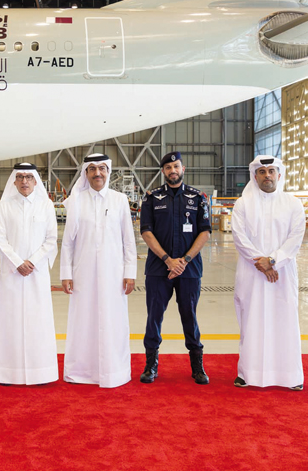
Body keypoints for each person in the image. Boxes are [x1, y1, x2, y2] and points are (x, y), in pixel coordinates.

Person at [60, 154, 137, 388]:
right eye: (92, 169)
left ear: (108, 171)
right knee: (83, 321)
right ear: (86, 173)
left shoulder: (119, 200)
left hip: (114, 273)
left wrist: (130, 271)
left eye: (102, 168)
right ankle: (82, 371)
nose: (97, 173)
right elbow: (68, 242)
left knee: (113, 320)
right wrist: (66, 273)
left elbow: (128, 240)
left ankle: (114, 371)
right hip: (83, 273)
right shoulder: (76, 201)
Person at [231, 155, 306, 390]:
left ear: (279, 175)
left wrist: (273, 260)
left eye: (271, 171)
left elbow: (296, 237)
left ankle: (289, 376)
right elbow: (238, 236)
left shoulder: (293, 203)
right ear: (255, 176)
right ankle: (248, 373)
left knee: (284, 320)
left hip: (281, 274)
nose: (267, 176)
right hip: (251, 272)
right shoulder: (242, 204)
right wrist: (261, 262)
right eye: (262, 172)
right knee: (251, 320)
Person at [139, 151, 212, 385]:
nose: (173, 171)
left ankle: (197, 366)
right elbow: (146, 232)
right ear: (163, 171)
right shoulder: (151, 198)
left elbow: (205, 231)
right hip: (158, 269)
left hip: (189, 270)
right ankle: (151, 365)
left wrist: (185, 260)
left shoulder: (198, 197)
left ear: (183, 168)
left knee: (190, 316)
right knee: (154, 317)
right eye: (168, 167)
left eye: (176, 166)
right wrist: (168, 260)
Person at [0, 163, 59, 385]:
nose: (24, 181)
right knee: (9, 320)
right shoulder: (4, 205)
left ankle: (41, 371)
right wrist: (18, 263)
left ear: (35, 180)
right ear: (14, 180)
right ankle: (6, 372)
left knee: (37, 320)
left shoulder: (46, 205)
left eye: (29, 177)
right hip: (12, 273)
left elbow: (51, 239)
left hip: (36, 274)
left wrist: (32, 262)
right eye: (20, 177)